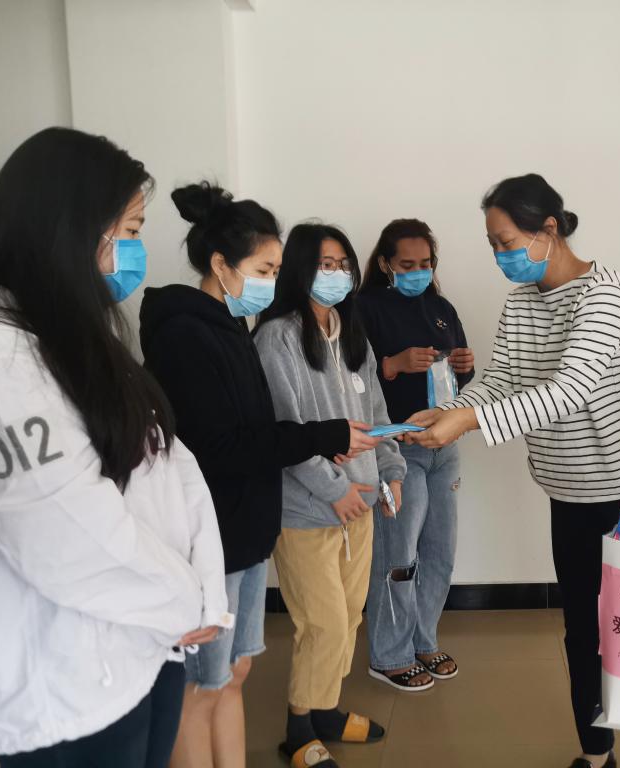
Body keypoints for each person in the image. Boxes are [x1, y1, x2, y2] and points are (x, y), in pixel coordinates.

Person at [0, 128, 228, 767]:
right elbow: (60, 530)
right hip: (68, 683)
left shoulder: (67, 329)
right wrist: (184, 597)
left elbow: (167, 458)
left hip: (146, 640)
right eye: (129, 230)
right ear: (71, 227)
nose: (135, 251)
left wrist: (201, 588)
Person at [406, 174, 620, 768]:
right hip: (570, 493)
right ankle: (597, 750)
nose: (499, 256)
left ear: (548, 229)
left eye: (505, 242)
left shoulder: (604, 294)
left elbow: (568, 390)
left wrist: (468, 422)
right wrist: (451, 411)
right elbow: (502, 381)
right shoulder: (522, 303)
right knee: (583, 630)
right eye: (492, 245)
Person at [139, 185, 376, 768]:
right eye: (265, 270)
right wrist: (323, 437)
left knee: (235, 672)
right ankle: (302, 728)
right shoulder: (188, 335)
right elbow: (225, 445)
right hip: (214, 539)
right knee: (203, 684)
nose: (272, 281)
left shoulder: (229, 326)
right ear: (221, 265)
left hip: (246, 535)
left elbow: (261, 431)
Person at [255, 222, 406, 768]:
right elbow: (284, 430)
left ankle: (327, 712)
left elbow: (378, 412)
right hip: (307, 510)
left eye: (343, 264)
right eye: (325, 263)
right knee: (322, 624)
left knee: (349, 617)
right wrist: (335, 489)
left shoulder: (352, 331)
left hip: (360, 505)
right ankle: (298, 730)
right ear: (299, 268)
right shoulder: (277, 338)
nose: (337, 273)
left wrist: (391, 470)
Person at [355, 218, 474, 691]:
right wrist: (393, 365)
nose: (418, 272)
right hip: (396, 448)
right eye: (407, 265)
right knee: (397, 555)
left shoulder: (440, 307)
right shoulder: (364, 308)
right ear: (386, 263)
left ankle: (424, 640)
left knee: (440, 552)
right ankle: (390, 654)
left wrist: (464, 366)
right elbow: (348, 380)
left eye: (425, 263)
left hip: (443, 444)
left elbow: (455, 380)